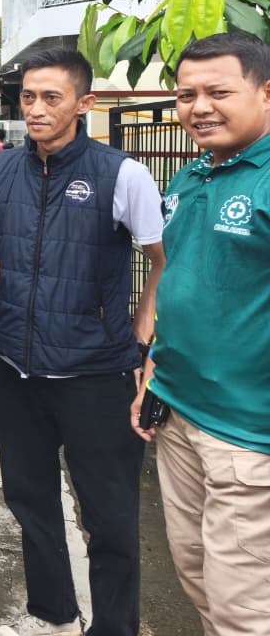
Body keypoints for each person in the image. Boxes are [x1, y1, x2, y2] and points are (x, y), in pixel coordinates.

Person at [0, 48, 165, 636]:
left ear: (84, 103)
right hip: (18, 368)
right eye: (28, 97)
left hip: (97, 375)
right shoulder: (0, 170)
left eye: (51, 97)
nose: (36, 108)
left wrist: (140, 335)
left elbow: (162, 260)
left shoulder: (120, 173)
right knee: (29, 502)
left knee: (109, 516)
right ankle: (52, 616)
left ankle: (114, 627)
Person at [131, 33, 270, 635]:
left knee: (244, 606)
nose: (199, 107)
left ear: (266, 93)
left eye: (219, 92)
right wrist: (152, 379)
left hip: (248, 435)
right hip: (180, 413)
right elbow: (176, 284)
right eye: (186, 95)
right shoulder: (191, 177)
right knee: (197, 577)